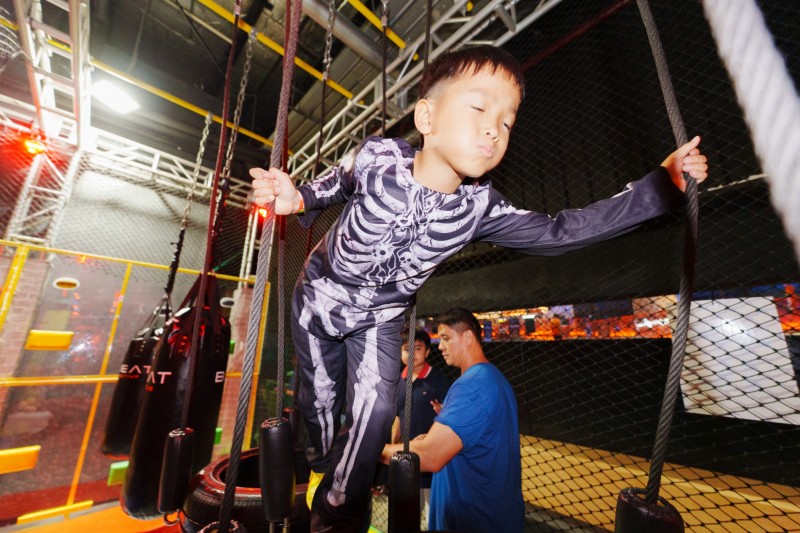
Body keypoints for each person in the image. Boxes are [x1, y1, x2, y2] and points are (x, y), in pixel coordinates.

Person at [250, 44, 708, 532]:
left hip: (381, 317)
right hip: (320, 296)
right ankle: (320, 461)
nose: (495, 129)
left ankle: (335, 511)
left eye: (507, 122)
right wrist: (297, 197)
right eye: (479, 108)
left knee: (378, 408)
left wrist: (660, 185)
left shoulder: (478, 208)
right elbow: (336, 184)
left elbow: (560, 231)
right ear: (427, 117)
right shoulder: (378, 156)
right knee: (319, 400)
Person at [381, 308, 523, 532]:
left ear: (467, 337)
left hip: (473, 519)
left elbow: (431, 455)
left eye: (446, 338)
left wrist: (373, 451)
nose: (440, 346)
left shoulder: (473, 385)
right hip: (487, 513)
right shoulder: (492, 378)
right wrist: (433, 437)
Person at [389, 329, 451, 516]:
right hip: (407, 458)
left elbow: (450, 417)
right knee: (409, 513)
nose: (411, 354)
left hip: (433, 458)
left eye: (417, 348)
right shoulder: (397, 382)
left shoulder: (438, 381)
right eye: (407, 349)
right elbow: (397, 418)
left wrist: (444, 412)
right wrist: (393, 446)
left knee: (435, 512)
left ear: (427, 352)